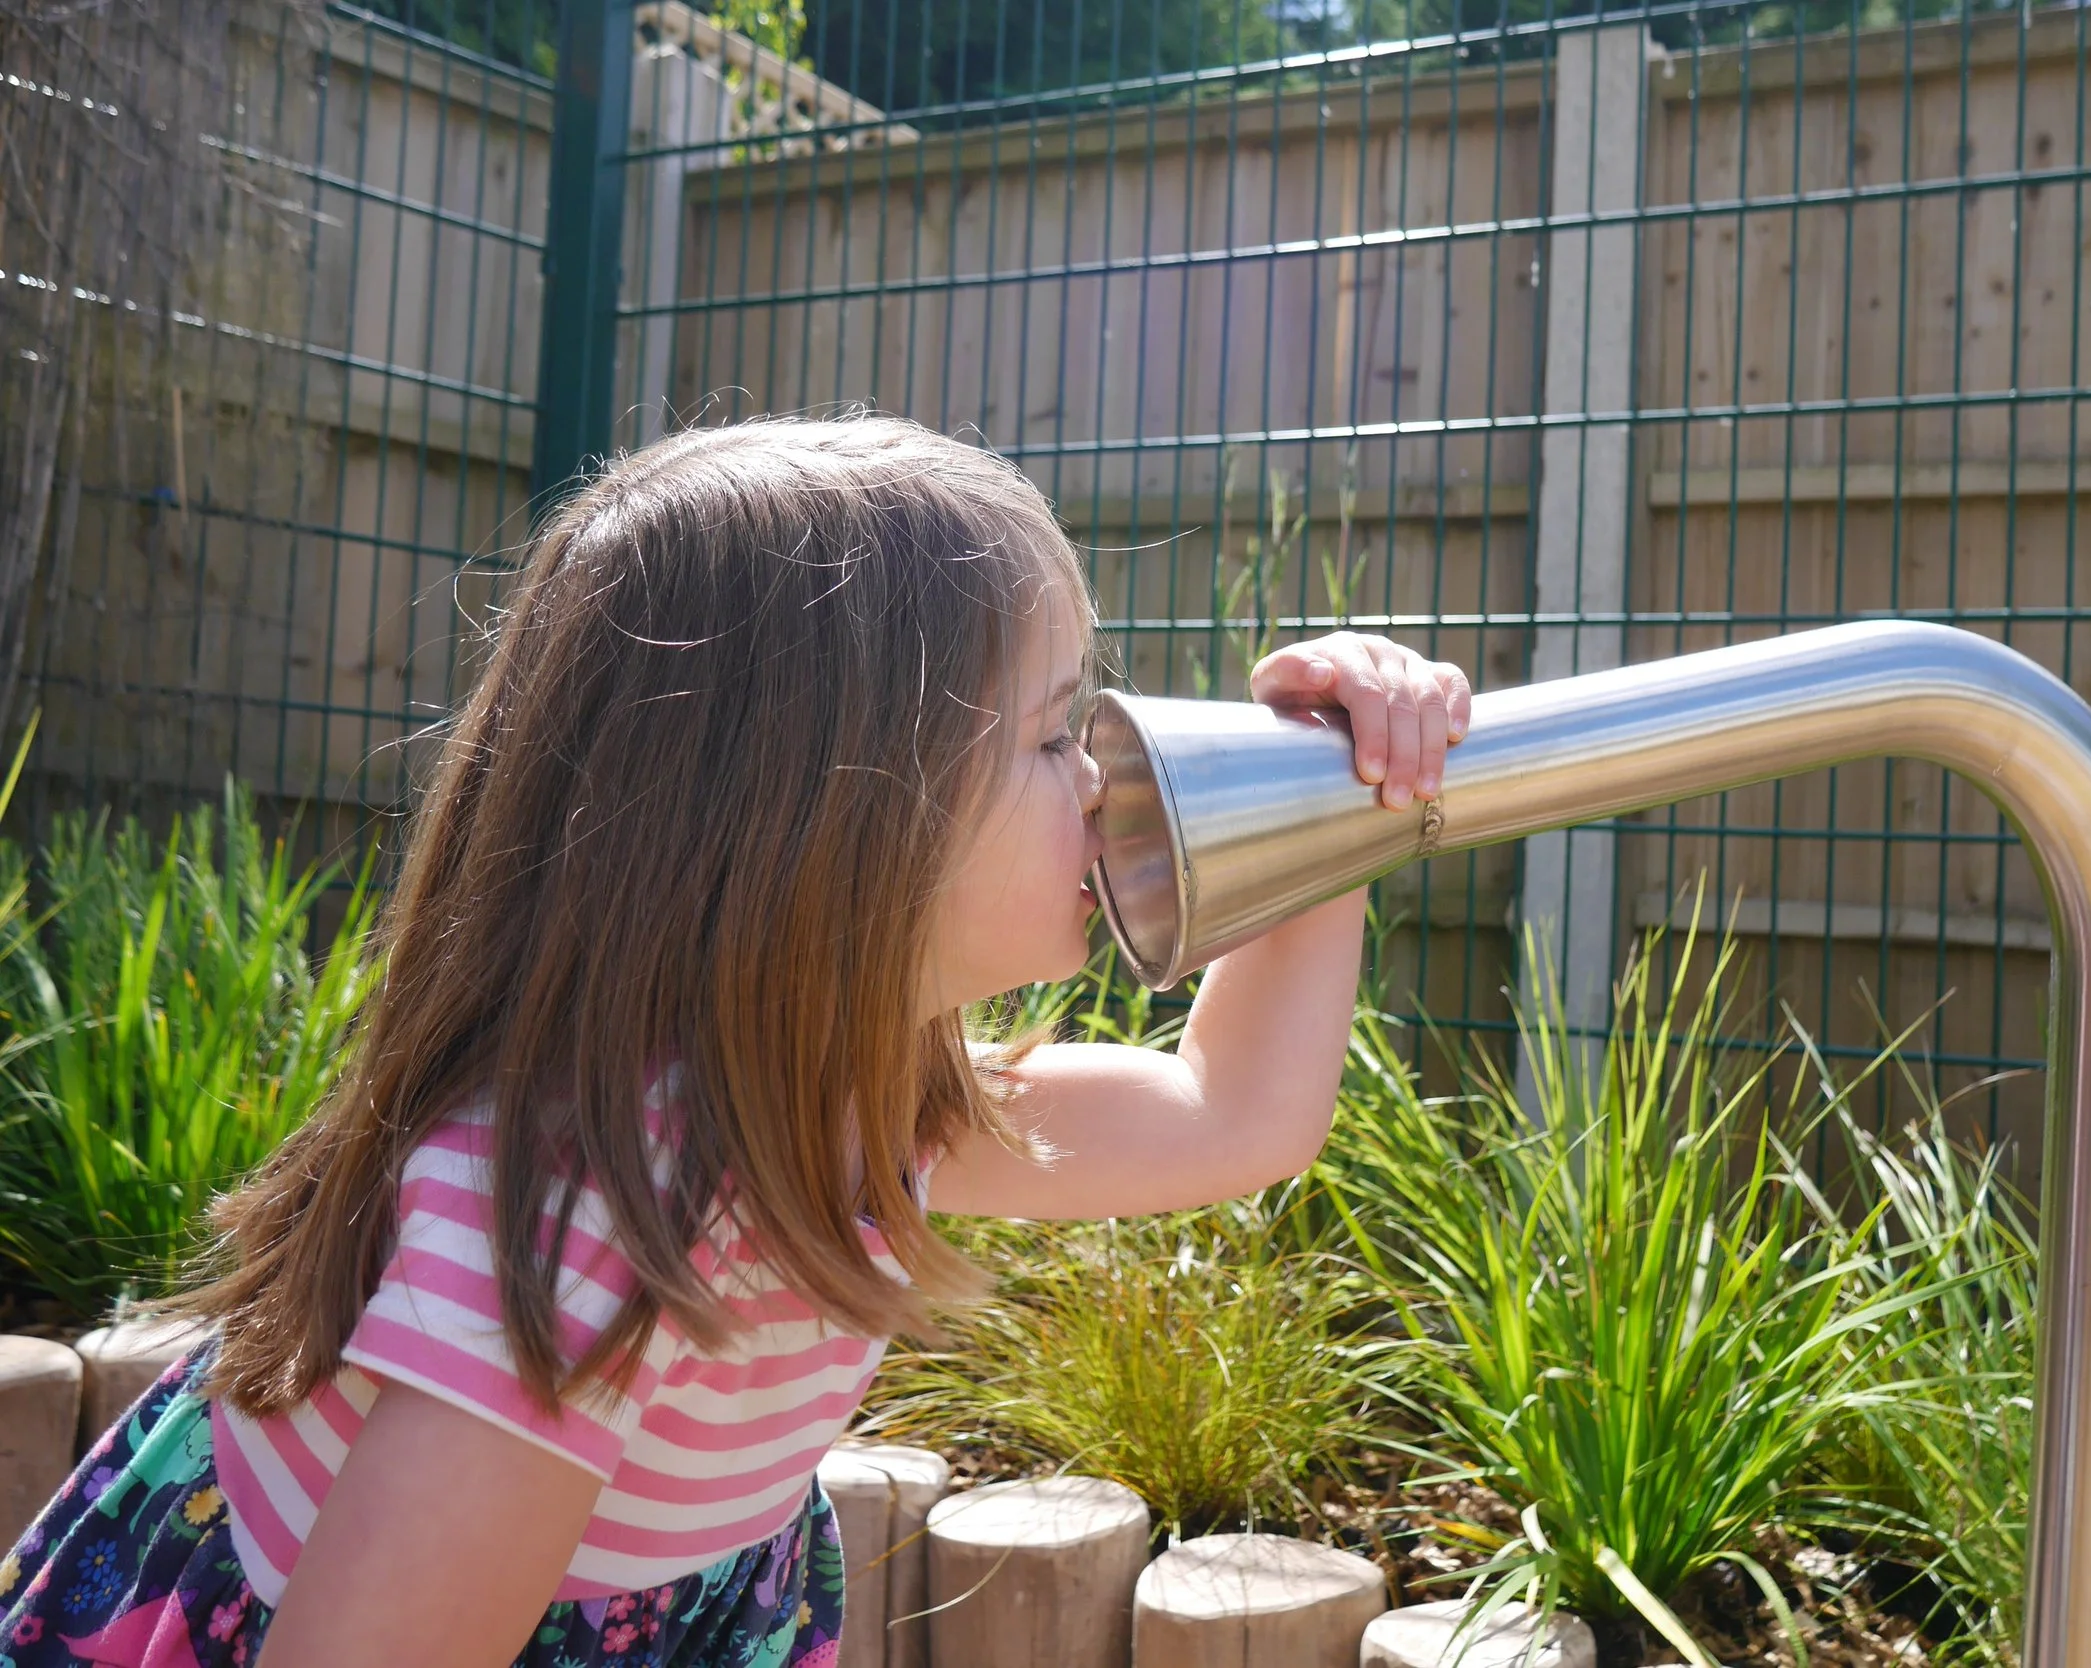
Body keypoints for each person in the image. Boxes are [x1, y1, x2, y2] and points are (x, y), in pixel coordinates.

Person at [0, 415, 1470, 1668]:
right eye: (1045, 736)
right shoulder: (590, 1235)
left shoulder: (834, 1098)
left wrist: (1325, 795)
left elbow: (1232, 1116)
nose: (1097, 782)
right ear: (824, 825)